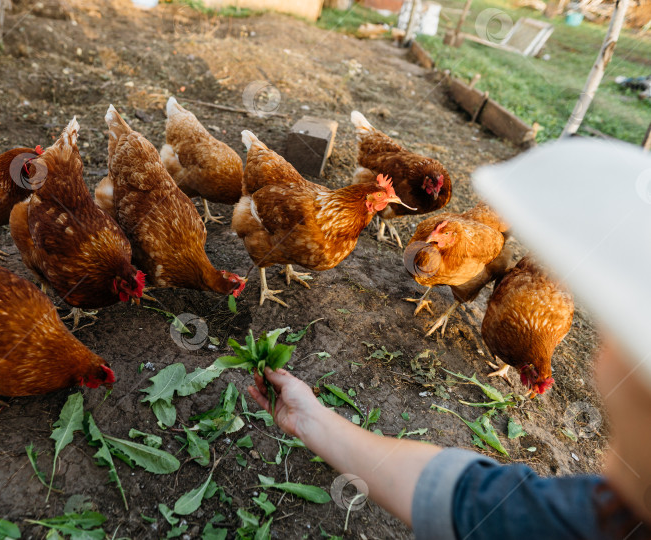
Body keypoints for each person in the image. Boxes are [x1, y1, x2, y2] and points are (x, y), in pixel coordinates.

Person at [248, 139, 651, 539]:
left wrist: (309, 419)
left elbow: (464, 497)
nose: (607, 349)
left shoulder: (577, 516)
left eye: (618, 326)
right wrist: (308, 418)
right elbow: (463, 495)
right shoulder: (582, 513)